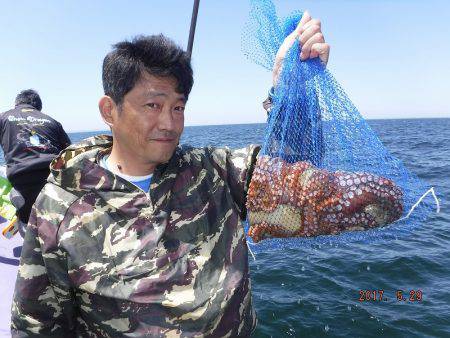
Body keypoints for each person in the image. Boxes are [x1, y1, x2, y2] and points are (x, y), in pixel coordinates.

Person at [11, 14, 329, 337]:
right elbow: (36, 327)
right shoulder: (58, 208)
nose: (170, 123)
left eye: (178, 107)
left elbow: (294, 174)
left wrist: (292, 90)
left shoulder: (212, 171)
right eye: (153, 105)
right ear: (109, 110)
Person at [0, 89, 71, 225]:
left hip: (22, 179)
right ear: (38, 107)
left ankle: (21, 212)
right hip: (54, 178)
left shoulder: (3, 117)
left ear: (16, 104)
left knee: (28, 222)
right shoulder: (53, 121)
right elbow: (68, 152)